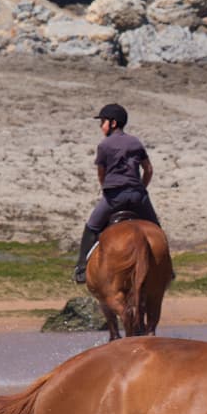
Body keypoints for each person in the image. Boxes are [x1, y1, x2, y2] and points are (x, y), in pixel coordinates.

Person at [73, 103, 160, 284]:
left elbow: (101, 174)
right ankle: (166, 267)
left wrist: (108, 189)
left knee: (92, 227)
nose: (100, 125)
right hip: (138, 196)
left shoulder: (104, 145)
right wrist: (141, 188)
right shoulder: (135, 142)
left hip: (114, 198)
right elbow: (148, 169)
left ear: (112, 123)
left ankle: (81, 268)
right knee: (156, 229)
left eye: (103, 121)